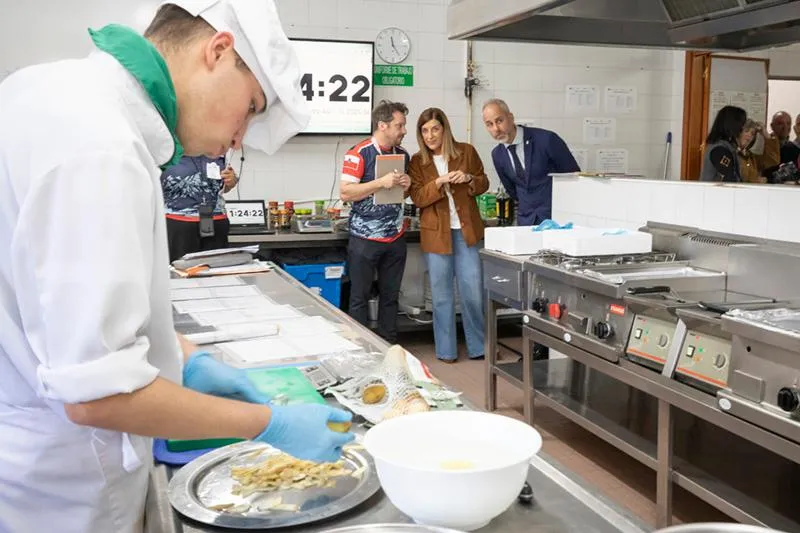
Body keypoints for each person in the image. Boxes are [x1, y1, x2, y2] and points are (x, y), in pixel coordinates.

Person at [0, 2, 353, 532]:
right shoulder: (100, 146)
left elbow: (66, 313)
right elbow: (98, 393)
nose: (238, 140)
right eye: (251, 108)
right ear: (218, 51)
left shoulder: (51, 91)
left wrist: (186, 359)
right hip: (63, 493)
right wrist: (268, 423)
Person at [408, 108, 489, 363]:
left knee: (473, 291)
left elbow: (483, 182)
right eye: (424, 130)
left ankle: (479, 347)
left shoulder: (466, 151)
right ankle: (446, 351)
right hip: (436, 235)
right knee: (441, 296)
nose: (430, 135)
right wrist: (439, 182)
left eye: (435, 129)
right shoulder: (417, 162)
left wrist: (468, 178)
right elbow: (418, 197)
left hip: (467, 232)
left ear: (445, 129)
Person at [340, 100, 411, 344]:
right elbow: (346, 192)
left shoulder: (402, 155)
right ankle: (360, 347)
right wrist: (380, 183)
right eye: (399, 125)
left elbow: (400, 194)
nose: (404, 130)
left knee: (390, 296)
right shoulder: (358, 153)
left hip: (395, 237)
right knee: (359, 297)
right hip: (364, 240)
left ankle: (389, 345)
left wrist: (407, 186)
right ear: (383, 125)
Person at [482, 98, 580, 226]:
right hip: (526, 221)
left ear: (511, 117)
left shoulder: (546, 140)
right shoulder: (497, 154)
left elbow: (573, 177)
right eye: (489, 124)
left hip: (557, 218)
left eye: (499, 121)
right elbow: (512, 190)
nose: (496, 129)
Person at [162, 154, 239, 261]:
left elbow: (220, 188)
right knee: (180, 270)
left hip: (214, 220)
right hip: (179, 223)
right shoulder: (167, 153)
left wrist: (231, 181)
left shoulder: (218, 153)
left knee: (214, 270)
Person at [700, 105, 746, 182]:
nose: (742, 128)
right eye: (741, 124)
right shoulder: (719, 150)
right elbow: (731, 177)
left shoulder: (726, 146)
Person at [737, 119, 780, 183]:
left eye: (752, 133)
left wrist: (766, 135)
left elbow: (773, 160)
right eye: (746, 131)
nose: (749, 135)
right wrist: (756, 181)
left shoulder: (751, 157)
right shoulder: (730, 153)